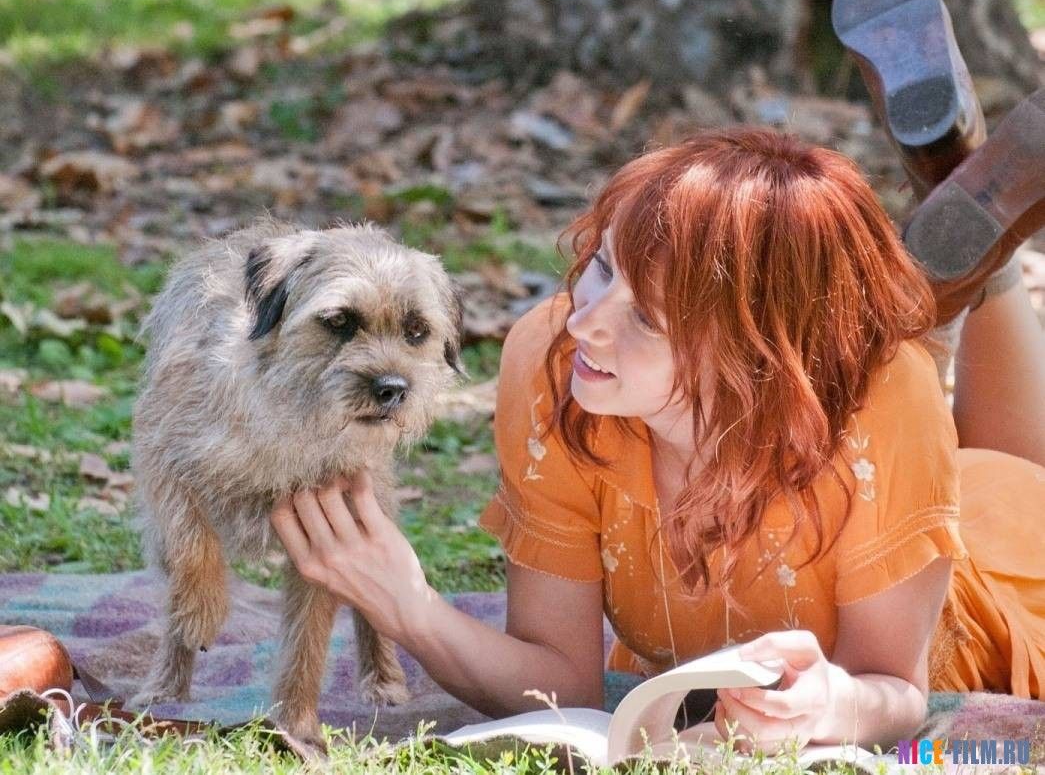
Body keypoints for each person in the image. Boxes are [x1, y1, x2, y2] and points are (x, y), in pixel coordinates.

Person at [270, 126, 1045, 755]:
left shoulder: (889, 399)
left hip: (998, 566)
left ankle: (988, 265)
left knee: (1012, 472)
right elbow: (562, 683)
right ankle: (961, 224)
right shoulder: (556, 361)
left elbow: (896, 690)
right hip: (879, 454)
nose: (584, 322)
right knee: (929, 415)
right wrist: (406, 605)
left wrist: (832, 704)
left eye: (643, 317)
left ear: (752, 352)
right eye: (601, 267)